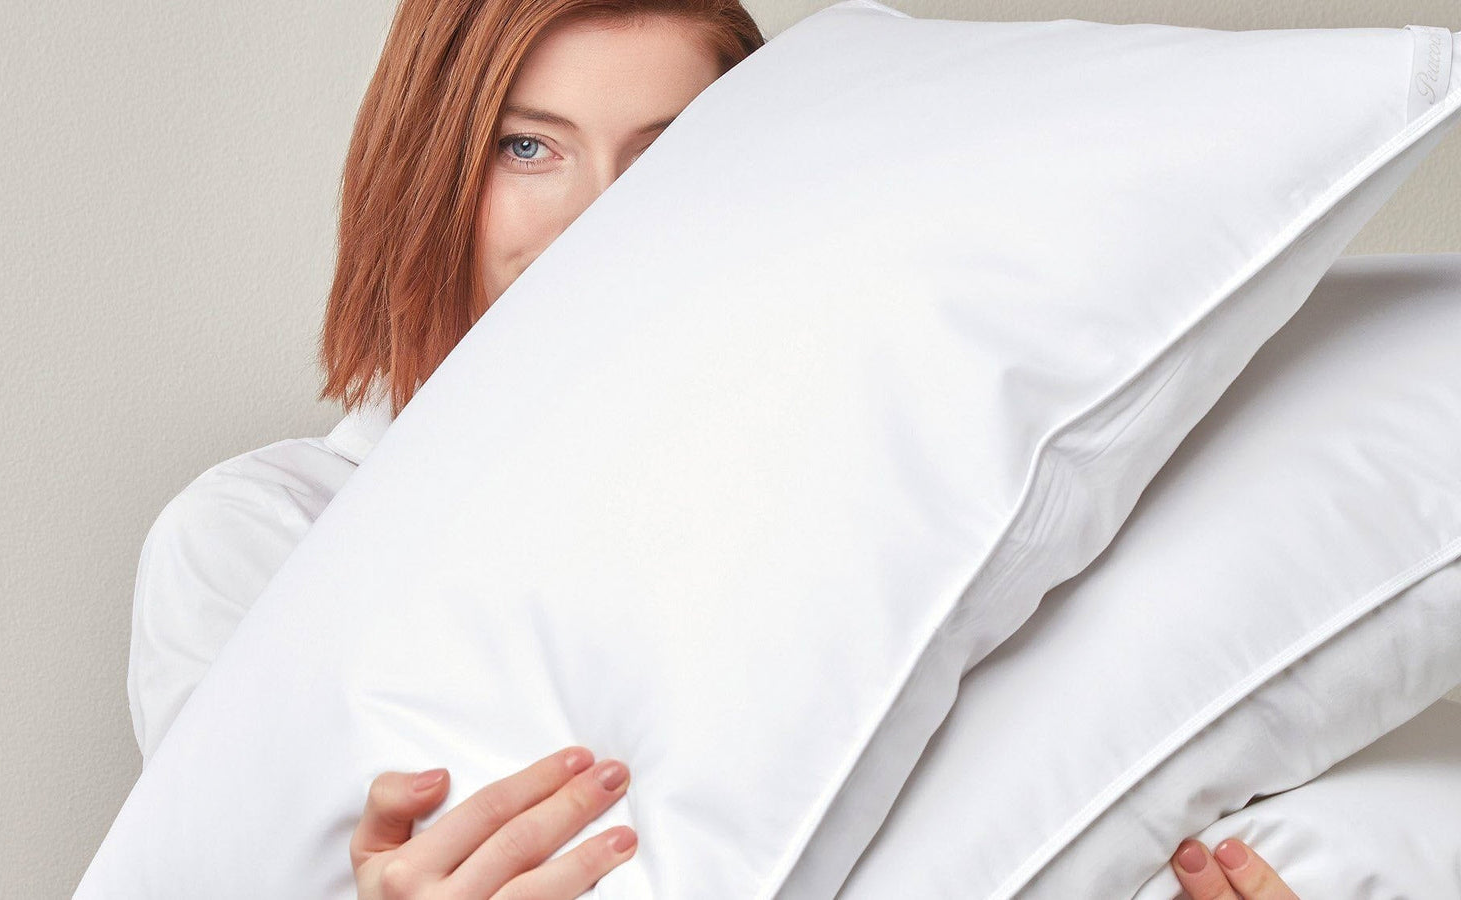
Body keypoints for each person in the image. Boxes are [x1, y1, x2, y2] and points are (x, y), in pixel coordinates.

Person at [126, 2, 1304, 897]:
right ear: (430, 179)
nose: (597, 222)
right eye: (528, 149)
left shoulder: (899, 526)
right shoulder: (266, 541)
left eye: (672, 153)